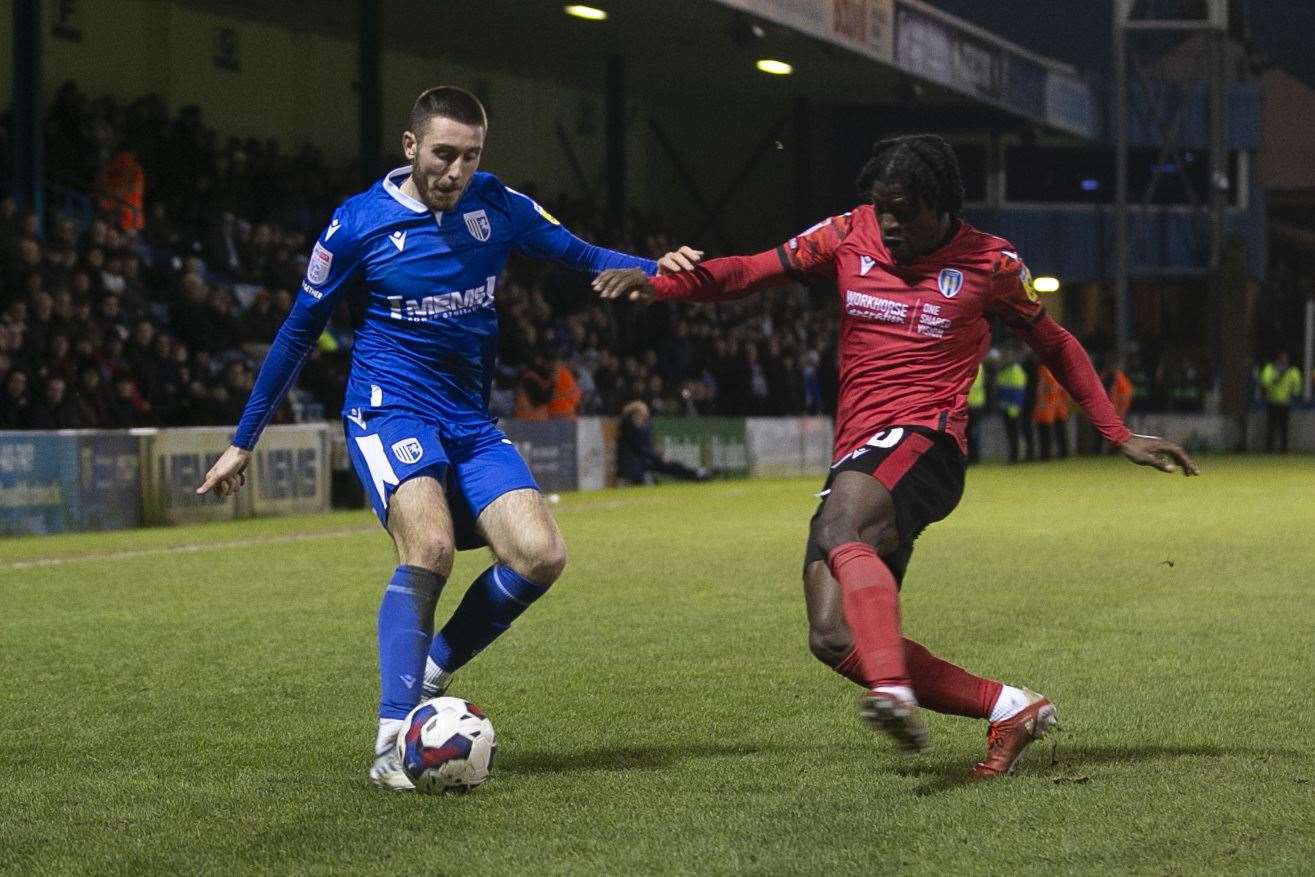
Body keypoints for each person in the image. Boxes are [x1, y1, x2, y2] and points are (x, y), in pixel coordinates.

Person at [593, 134, 1198, 777]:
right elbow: (749, 270)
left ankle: (891, 690)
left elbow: (1055, 343)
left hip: (927, 443)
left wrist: (1116, 433)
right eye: (880, 207)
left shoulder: (990, 264)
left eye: (903, 209)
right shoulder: (847, 235)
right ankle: (1010, 707)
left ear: (940, 206)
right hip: (860, 451)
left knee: (839, 528)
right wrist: (660, 284)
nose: (888, 222)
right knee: (831, 636)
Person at [195, 86, 701, 791]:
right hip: (388, 410)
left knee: (539, 554)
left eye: (470, 155)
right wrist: (243, 439)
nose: (456, 170)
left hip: (467, 419)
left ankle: (429, 669)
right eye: (443, 153)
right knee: (428, 546)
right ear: (410, 148)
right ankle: (389, 737)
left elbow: (583, 255)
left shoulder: (496, 205)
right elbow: (297, 333)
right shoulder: (357, 225)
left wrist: (664, 271)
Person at [616, 400, 711, 485]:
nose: (643, 418)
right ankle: (696, 474)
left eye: (644, 416)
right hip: (634, 465)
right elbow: (641, 450)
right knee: (662, 467)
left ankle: (696, 474)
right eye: (640, 415)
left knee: (672, 465)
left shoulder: (644, 428)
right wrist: (658, 457)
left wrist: (658, 455)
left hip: (646, 461)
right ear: (633, 415)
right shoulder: (628, 430)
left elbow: (648, 447)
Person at [1259, 351, 1302, 453]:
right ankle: (1268, 448)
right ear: (1277, 359)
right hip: (1272, 401)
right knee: (1271, 427)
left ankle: (1284, 449)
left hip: (1285, 402)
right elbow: (1264, 382)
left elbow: (1297, 386)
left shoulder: (1292, 371)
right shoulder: (1270, 369)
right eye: (1282, 358)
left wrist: (1295, 394)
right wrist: (1276, 376)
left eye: (1285, 358)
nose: (1284, 360)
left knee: (1284, 427)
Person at [1032, 365, 1070, 460]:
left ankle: (1045, 454)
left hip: (1047, 405)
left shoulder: (1044, 370)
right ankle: (1063, 452)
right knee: (1060, 430)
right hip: (1058, 405)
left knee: (1045, 432)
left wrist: (1039, 402)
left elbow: (1042, 387)